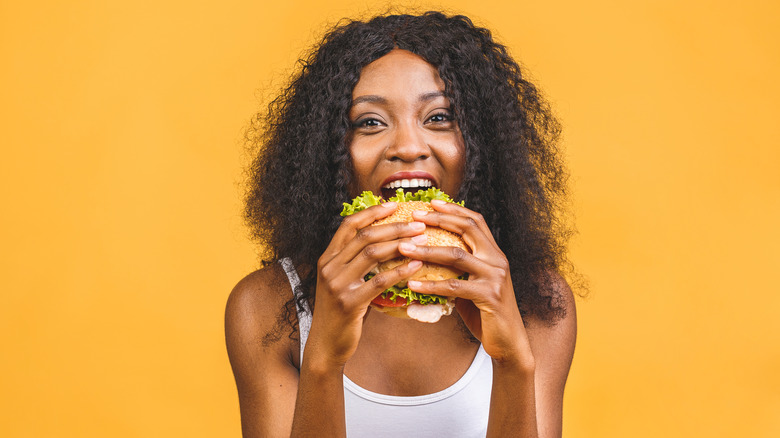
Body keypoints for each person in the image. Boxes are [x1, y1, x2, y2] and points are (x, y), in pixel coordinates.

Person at [226, 11, 579, 438]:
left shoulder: (538, 302)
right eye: (370, 122)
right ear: (329, 152)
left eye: (438, 118)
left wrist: (513, 362)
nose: (408, 148)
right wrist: (323, 358)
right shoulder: (265, 306)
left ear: (480, 144)